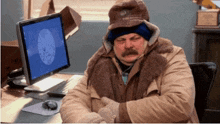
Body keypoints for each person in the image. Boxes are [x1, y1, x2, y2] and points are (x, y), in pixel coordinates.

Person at [60, 0, 199, 123]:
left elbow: (180, 104)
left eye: (135, 38)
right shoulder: (99, 62)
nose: (128, 46)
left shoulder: (171, 56)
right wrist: (89, 121)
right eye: (121, 40)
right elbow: (73, 101)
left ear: (148, 38)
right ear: (111, 43)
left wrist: (121, 112)